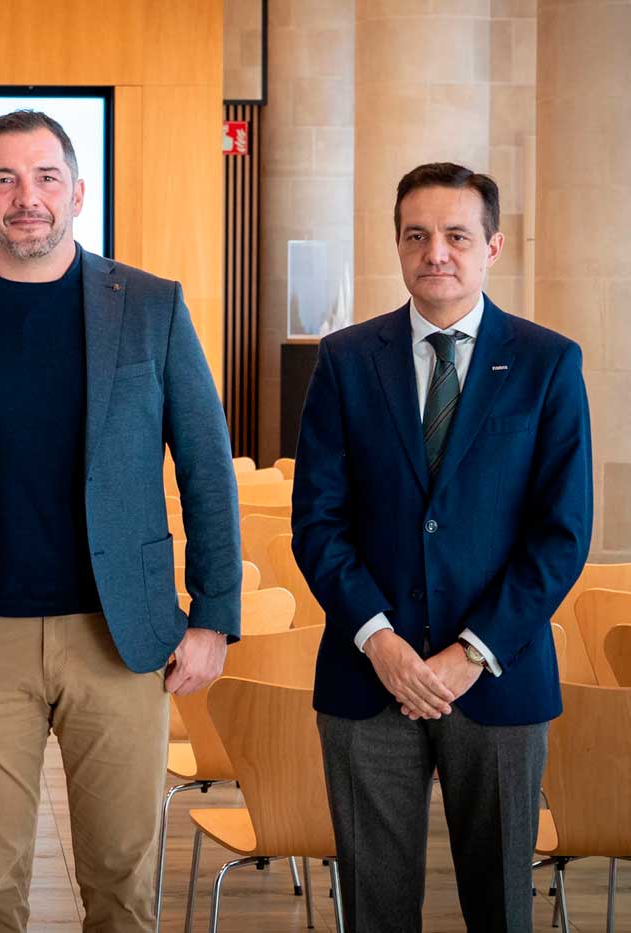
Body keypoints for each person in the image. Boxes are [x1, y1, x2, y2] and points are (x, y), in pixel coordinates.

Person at [0, 110, 241, 931]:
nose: (26, 197)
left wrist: (214, 612)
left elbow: (205, 464)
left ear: (78, 192)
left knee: (122, 886)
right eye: (4, 180)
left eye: (45, 178)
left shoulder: (152, 306)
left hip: (120, 634)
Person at [291, 162, 593, 932]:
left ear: (492, 246)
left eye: (457, 235)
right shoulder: (346, 360)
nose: (437, 253)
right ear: (397, 244)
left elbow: (561, 537)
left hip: (497, 683)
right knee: (375, 910)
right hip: (369, 683)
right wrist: (380, 640)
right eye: (418, 235)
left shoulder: (547, 363)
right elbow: (318, 523)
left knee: (500, 908)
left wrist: (470, 652)